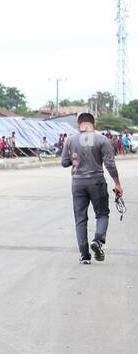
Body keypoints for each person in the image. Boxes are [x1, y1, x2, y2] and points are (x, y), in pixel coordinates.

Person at [62, 112, 122, 263]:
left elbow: (64, 162)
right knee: (102, 214)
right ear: (93, 124)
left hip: (77, 183)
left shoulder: (70, 140)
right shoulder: (102, 139)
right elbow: (110, 164)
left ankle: (84, 256)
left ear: (79, 124)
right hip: (97, 182)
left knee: (80, 218)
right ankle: (98, 240)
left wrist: (76, 159)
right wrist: (117, 184)